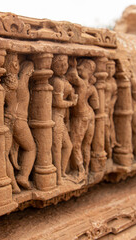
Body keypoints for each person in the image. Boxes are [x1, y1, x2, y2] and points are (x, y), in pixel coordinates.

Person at [2, 53, 36, 193]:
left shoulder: (4, 86)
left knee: (3, 155)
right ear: (15, 65)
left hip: (7, 119)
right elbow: (29, 65)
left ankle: (14, 186)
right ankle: (23, 176)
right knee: (30, 148)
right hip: (20, 122)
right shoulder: (23, 82)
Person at [67, 59, 99, 182]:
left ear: (90, 72)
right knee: (86, 145)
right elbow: (96, 105)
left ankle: (81, 171)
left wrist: (74, 65)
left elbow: (72, 75)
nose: (80, 69)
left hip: (81, 116)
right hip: (90, 114)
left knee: (76, 144)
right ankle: (86, 169)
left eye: (83, 68)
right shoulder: (91, 88)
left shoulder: (81, 83)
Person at [50, 54, 78, 185]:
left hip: (61, 117)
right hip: (55, 116)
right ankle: (58, 177)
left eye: (65, 64)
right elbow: (57, 102)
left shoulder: (63, 80)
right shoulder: (56, 81)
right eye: (59, 65)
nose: (63, 67)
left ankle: (62, 172)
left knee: (68, 146)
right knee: (57, 147)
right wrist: (71, 103)